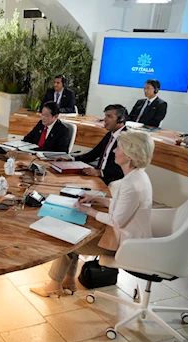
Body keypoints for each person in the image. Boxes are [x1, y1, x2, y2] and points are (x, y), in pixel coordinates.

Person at [30, 130, 155, 297]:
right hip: (130, 236)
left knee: (69, 243)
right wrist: (94, 199)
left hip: (125, 244)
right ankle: (68, 281)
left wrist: (89, 210)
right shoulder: (137, 177)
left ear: (130, 155)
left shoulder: (130, 184)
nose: (114, 151)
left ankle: (54, 284)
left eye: (118, 148)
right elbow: (124, 206)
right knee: (77, 234)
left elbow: (116, 220)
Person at [70, 104, 128, 185]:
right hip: (99, 178)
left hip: (113, 183)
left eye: (109, 116)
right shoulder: (109, 135)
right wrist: (71, 159)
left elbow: (122, 169)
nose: (104, 119)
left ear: (121, 119)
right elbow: (93, 154)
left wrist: (100, 173)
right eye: (105, 116)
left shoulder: (127, 139)